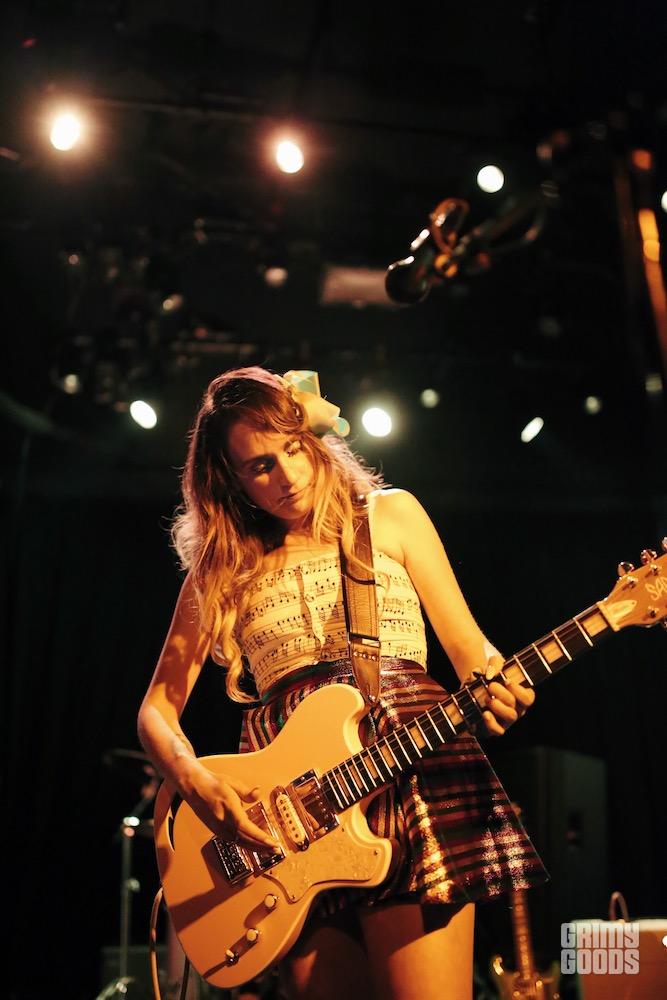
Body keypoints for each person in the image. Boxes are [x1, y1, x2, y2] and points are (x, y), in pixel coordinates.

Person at [137, 366, 547, 1000]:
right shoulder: (223, 569)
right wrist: (194, 782)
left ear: (314, 438)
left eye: (293, 449)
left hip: (411, 781)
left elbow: (472, 651)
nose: (288, 475)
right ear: (231, 481)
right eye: (260, 466)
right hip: (290, 822)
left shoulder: (393, 515)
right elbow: (156, 712)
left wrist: (501, 688)